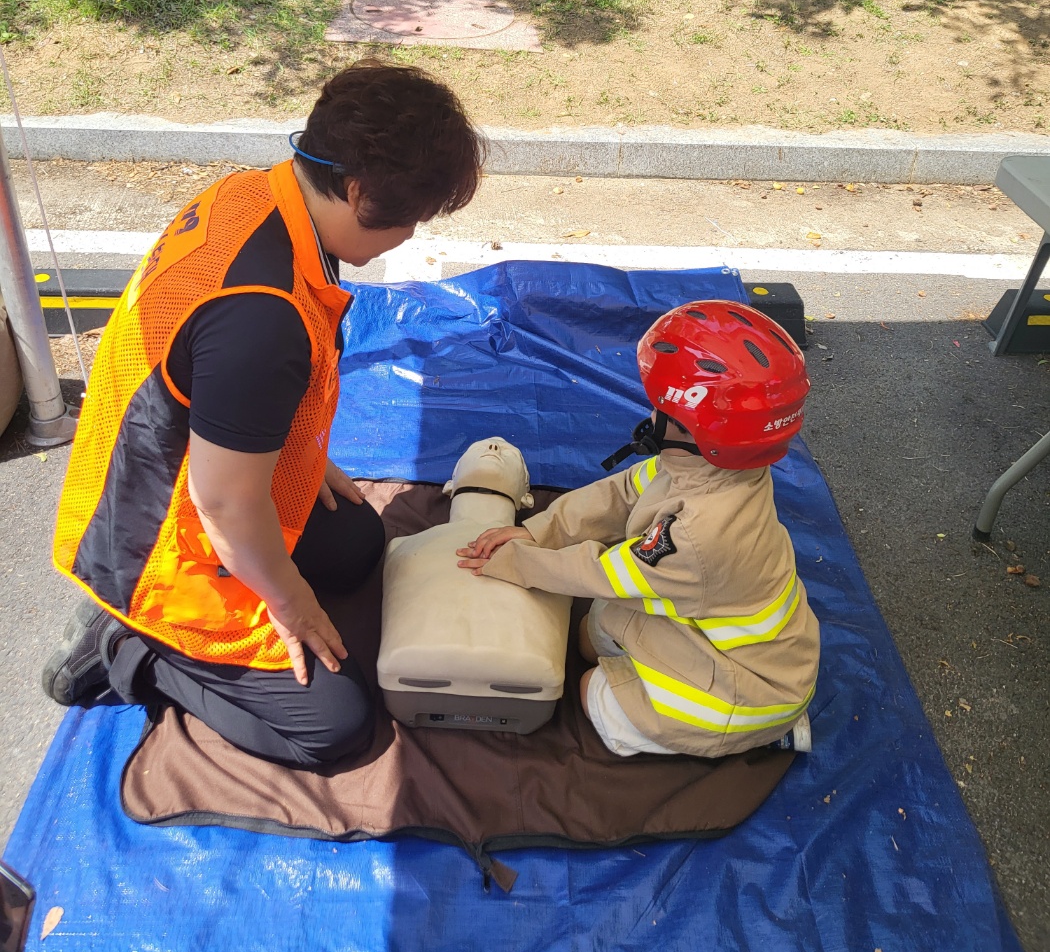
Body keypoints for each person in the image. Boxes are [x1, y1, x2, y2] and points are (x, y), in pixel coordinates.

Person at [43, 63, 483, 768]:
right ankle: (130, 645)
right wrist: (290, 602)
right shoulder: (261, 320)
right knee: (336, 727)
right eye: (408, 218)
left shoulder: (254, 194)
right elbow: (221, 501)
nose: (407, 236)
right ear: (358, 190)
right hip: (161, 537)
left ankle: (212, 597)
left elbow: (222, 398)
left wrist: (303, 454)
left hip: (189, 469)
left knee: (358, 545)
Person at [458, 300, 821, 760]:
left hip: (748, 692)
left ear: (702, 432)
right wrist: (541, 532)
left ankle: (766, 731)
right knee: (591, 636)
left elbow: (602, 573)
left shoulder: (700, 535)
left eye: (662, 411)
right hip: (726, 640)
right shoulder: (713, 466)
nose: (651, 418)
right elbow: (625, 491)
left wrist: (515, 562)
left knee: (592, 689)